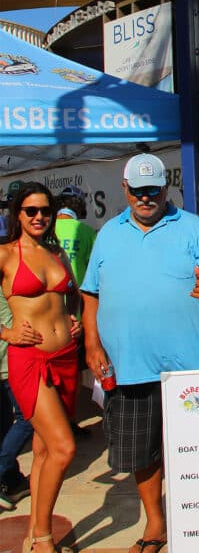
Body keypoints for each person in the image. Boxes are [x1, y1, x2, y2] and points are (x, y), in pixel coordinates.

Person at [81, 153, 199, 553]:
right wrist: (92, 344)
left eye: (154, 189)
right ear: (125, 189)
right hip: (127, 367)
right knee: (141, 455)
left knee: (198, 451)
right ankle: (156, 526)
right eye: (138, 190)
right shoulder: (107, 234)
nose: (146, 197)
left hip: (189, 369)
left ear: (166, 188)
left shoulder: (193, 227)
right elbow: (90, 294)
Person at [0, 182, 82, 552]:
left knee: (45, 450)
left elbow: (73, 298)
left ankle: (34, 529)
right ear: (17, 214)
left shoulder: (57, 254)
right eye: (30, 211)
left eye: (45, 211)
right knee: (64, 448)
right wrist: (7, 333)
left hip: (65, 357)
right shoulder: (4, 254)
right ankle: (44, 539)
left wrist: (74, 319)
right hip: (29, 360)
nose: (39, 217)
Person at [55, 185, 97, 439]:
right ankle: (67, 421)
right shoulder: (86, 231)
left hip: (45, 308)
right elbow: (95, 272)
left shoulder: (46, 230)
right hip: (76, 308)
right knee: (73, 370)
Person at [0, 293, 33, 510]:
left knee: (4, 422)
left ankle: (12, 480)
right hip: (9, 360)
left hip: (11, 359)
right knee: (29, 418)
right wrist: (7, 333)